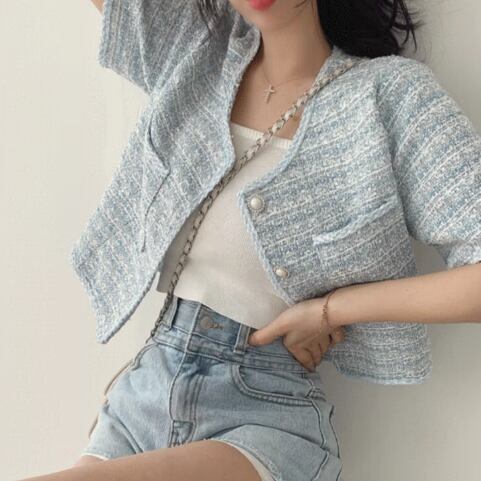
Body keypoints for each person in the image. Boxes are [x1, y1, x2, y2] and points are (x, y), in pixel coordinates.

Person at [19, 1, 481, 480]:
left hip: (263, 413)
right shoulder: (196, 55)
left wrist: (332, 310)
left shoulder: (388, 95)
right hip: (142, 397)